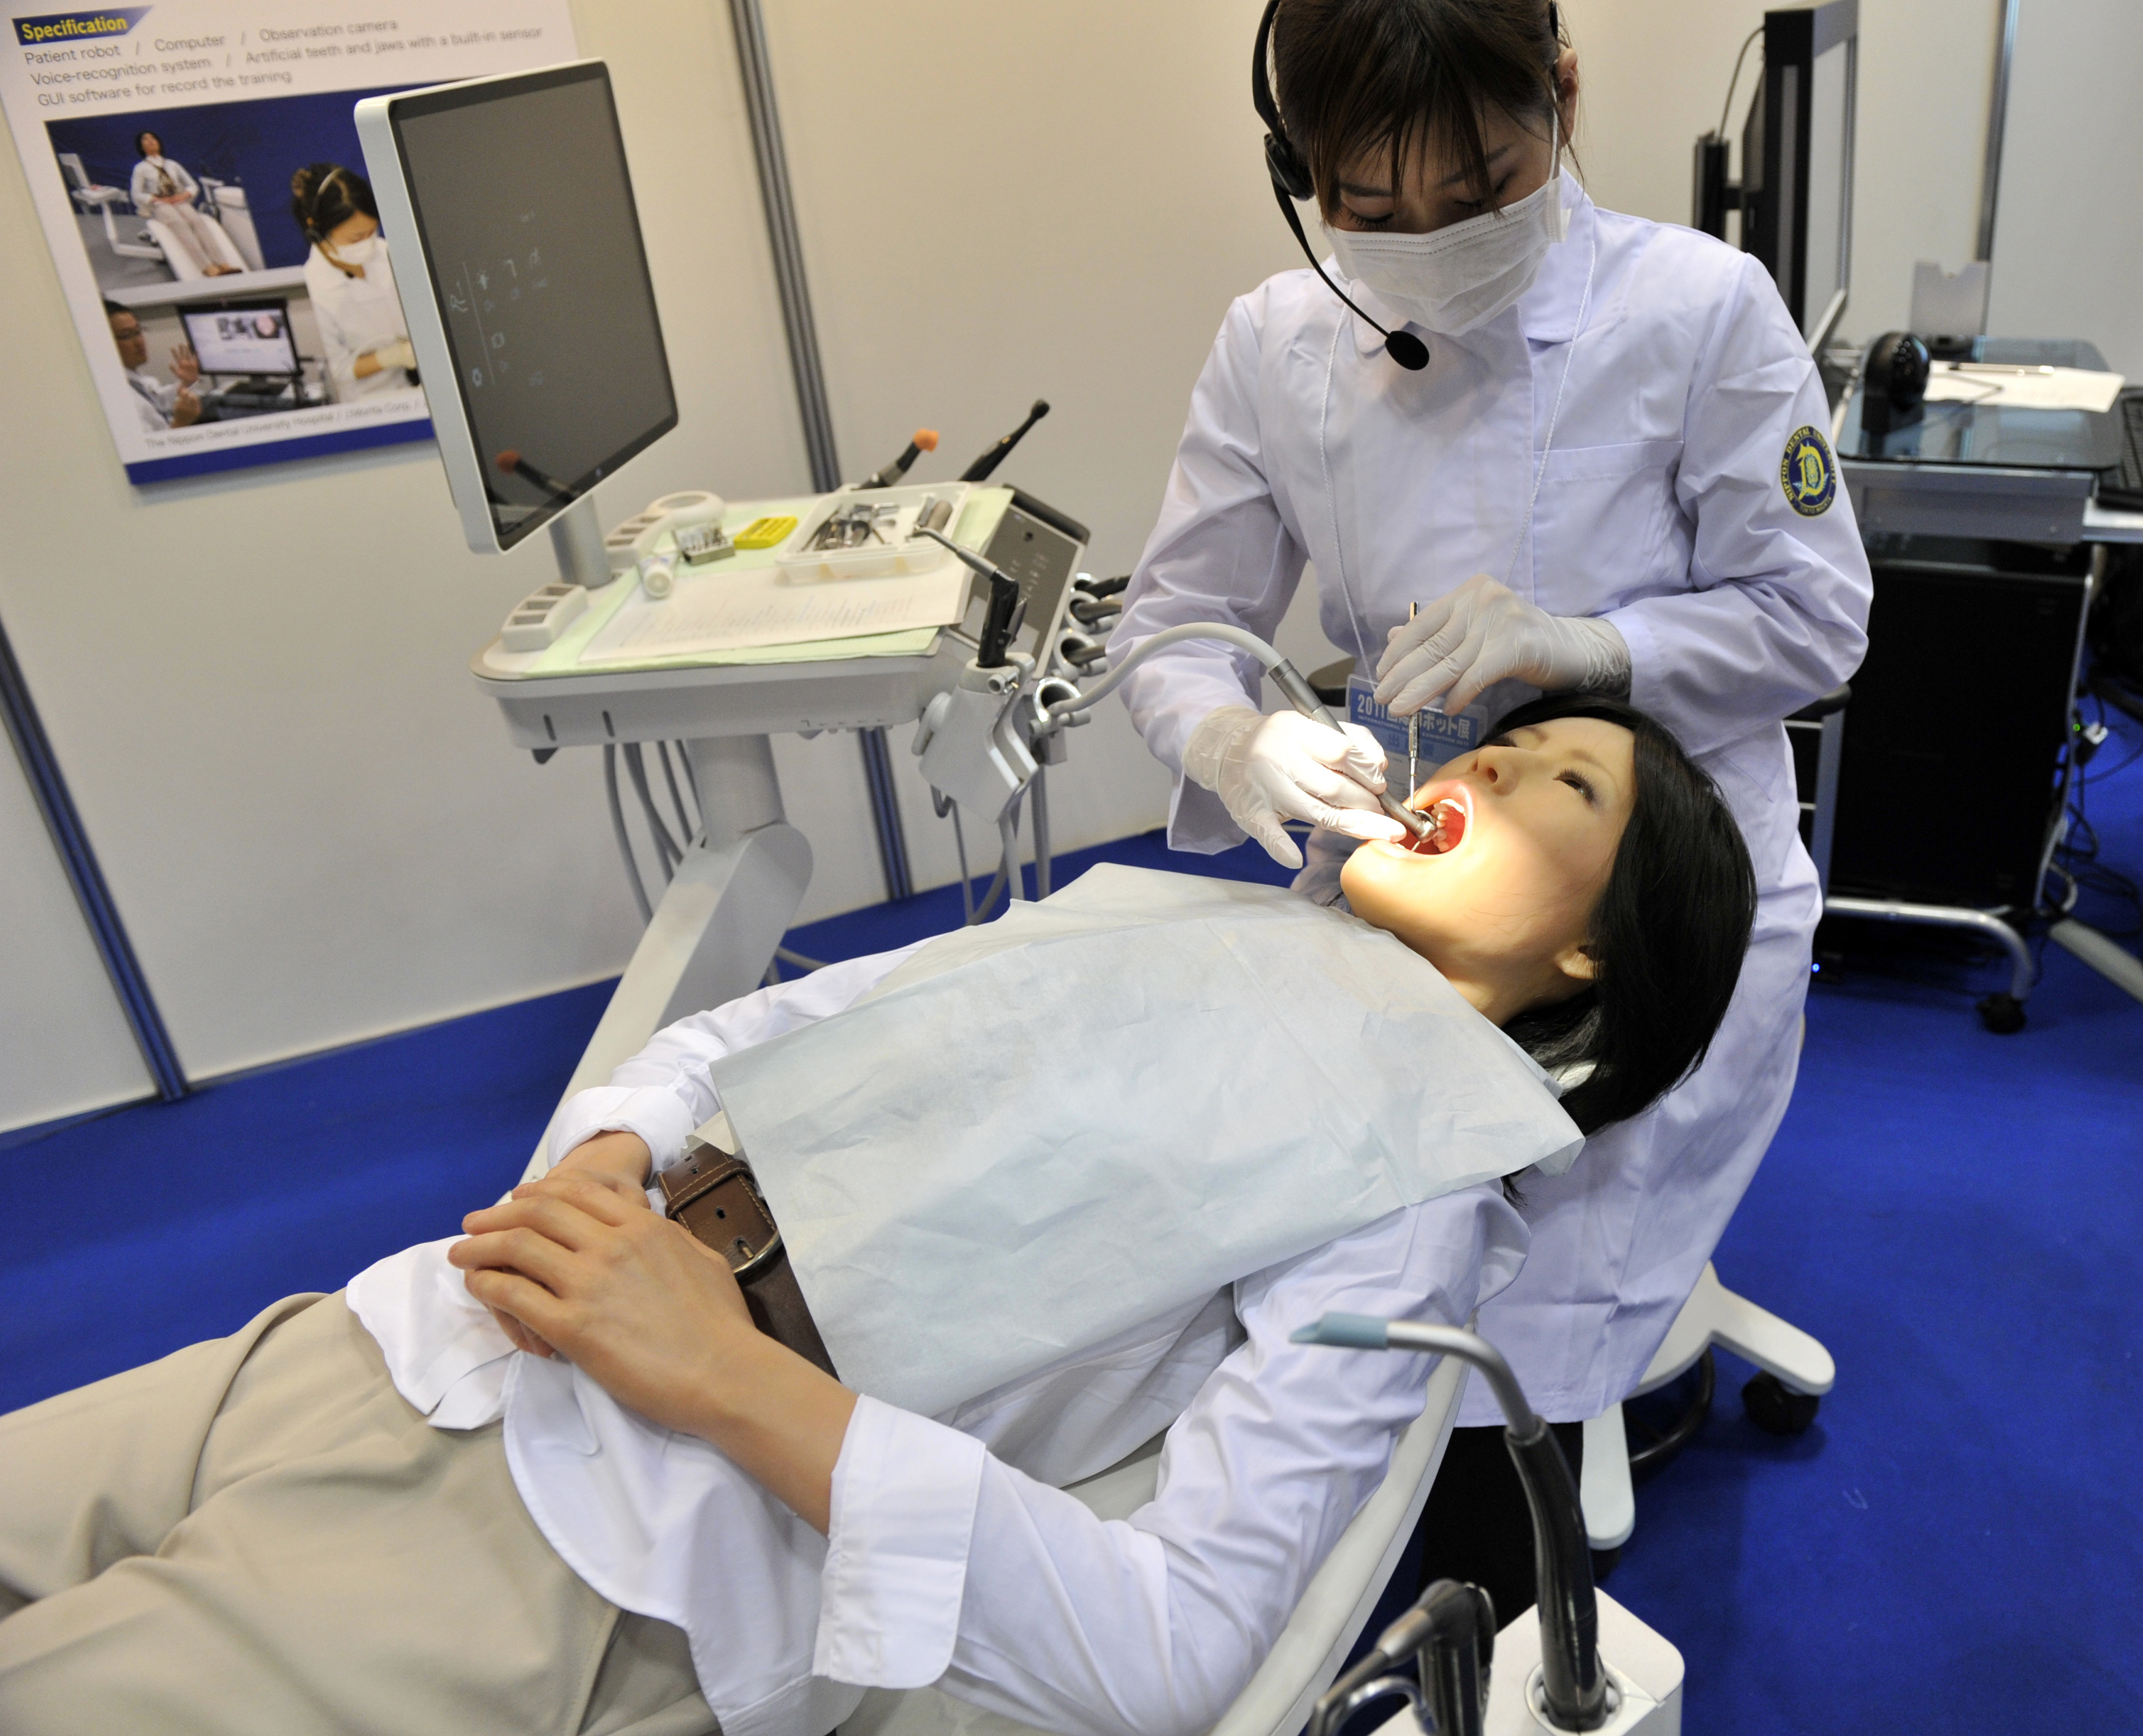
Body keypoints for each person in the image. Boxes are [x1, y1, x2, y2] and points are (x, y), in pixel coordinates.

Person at [0, 698, 1753, 1736]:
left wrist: (725, 1373)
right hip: (402, 1333)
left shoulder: (1410, 1195)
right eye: (1501, 744)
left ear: (1591, 953)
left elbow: (1172, 1645)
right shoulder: (1175, 918)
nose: (1487, 766)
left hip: (571, 1560)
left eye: (1558, 784)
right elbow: (757, 1029)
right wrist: (610, 1151)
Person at [1110, 0, 1873, 1611]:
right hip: (1412, 859)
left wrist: (1588, 649)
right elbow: (1173, 627)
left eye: (1479, 192)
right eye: (1367, 205)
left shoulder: (1698, 311)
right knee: (1345, 1276)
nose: (1427, 243)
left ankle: (1526, 1486)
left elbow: (1815, 618)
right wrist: (1237, 742)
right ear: (1299, 173)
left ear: (1565, 96)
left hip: (1651, 891)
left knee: (1516, 1318)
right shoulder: (1275, 343)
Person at [289, 162, 418, 402]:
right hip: (369, 400)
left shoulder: (388, 254)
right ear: (317, 230)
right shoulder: (315, 287)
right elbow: (339, 370)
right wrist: (393, 356)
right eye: (357, 238)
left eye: (372, 231)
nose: (368, 243)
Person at [127, 131, 245, 278]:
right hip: (160, 204)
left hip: (178, 200)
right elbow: (136, 194)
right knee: (179, 223)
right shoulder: (140, 169)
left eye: (153, 138)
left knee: (197, 221)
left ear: (159, 142)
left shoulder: (172, 165)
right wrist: (154, 199)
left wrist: (184, 195)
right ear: (141, 146)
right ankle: (207, 266)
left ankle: (223, 264)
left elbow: (192, 185)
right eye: (146, 139)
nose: (150, 141)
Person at [107, 302, 208, 431]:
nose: (139, 342)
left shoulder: (135, 380)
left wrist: (186, 383)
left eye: (138, 332)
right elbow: (146, 443)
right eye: (126, 336)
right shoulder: (116, 397)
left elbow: (159, 403)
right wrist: (181, 423)